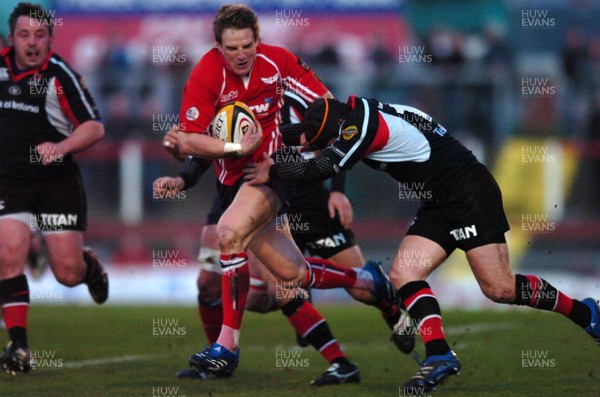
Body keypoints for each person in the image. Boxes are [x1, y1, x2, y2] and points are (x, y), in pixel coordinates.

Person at [244, 95, 600, 394]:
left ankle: (586, 312)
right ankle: (440, 356)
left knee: (500, 288)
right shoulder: (355, 112)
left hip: (468, 195)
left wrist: (272, 170)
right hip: (440, 200)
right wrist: (261, 138)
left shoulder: (362, 128)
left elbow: (323, 166)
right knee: (404, 272)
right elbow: (310, 139)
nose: (319, 145)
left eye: (324, 140)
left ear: (339, 131)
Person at [175, 4, 397, 378]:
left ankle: (226, 348)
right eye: (232, 48)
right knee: (291, 275)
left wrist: (295, 156)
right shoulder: (206, 73)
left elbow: (332, 112)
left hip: (271, 178)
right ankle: (368, 279)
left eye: (247, 45)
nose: (241, 54)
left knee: (226, 233)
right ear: (217, 46)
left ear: (257, 40)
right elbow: (186, 140)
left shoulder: (279, 63)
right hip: (230, 183)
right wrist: (233, 150)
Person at [0, 3, 108, 376]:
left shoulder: (60, 75)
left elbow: (95, 127)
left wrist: (60, 148)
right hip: (9, 182)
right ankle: (19, 347)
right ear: (11, 37)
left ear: (51, 38)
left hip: (55, 183)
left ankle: (89, 266)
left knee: (66, 273)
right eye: (24, 35)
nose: (31, 43)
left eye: (40, 36)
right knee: (9, 254)